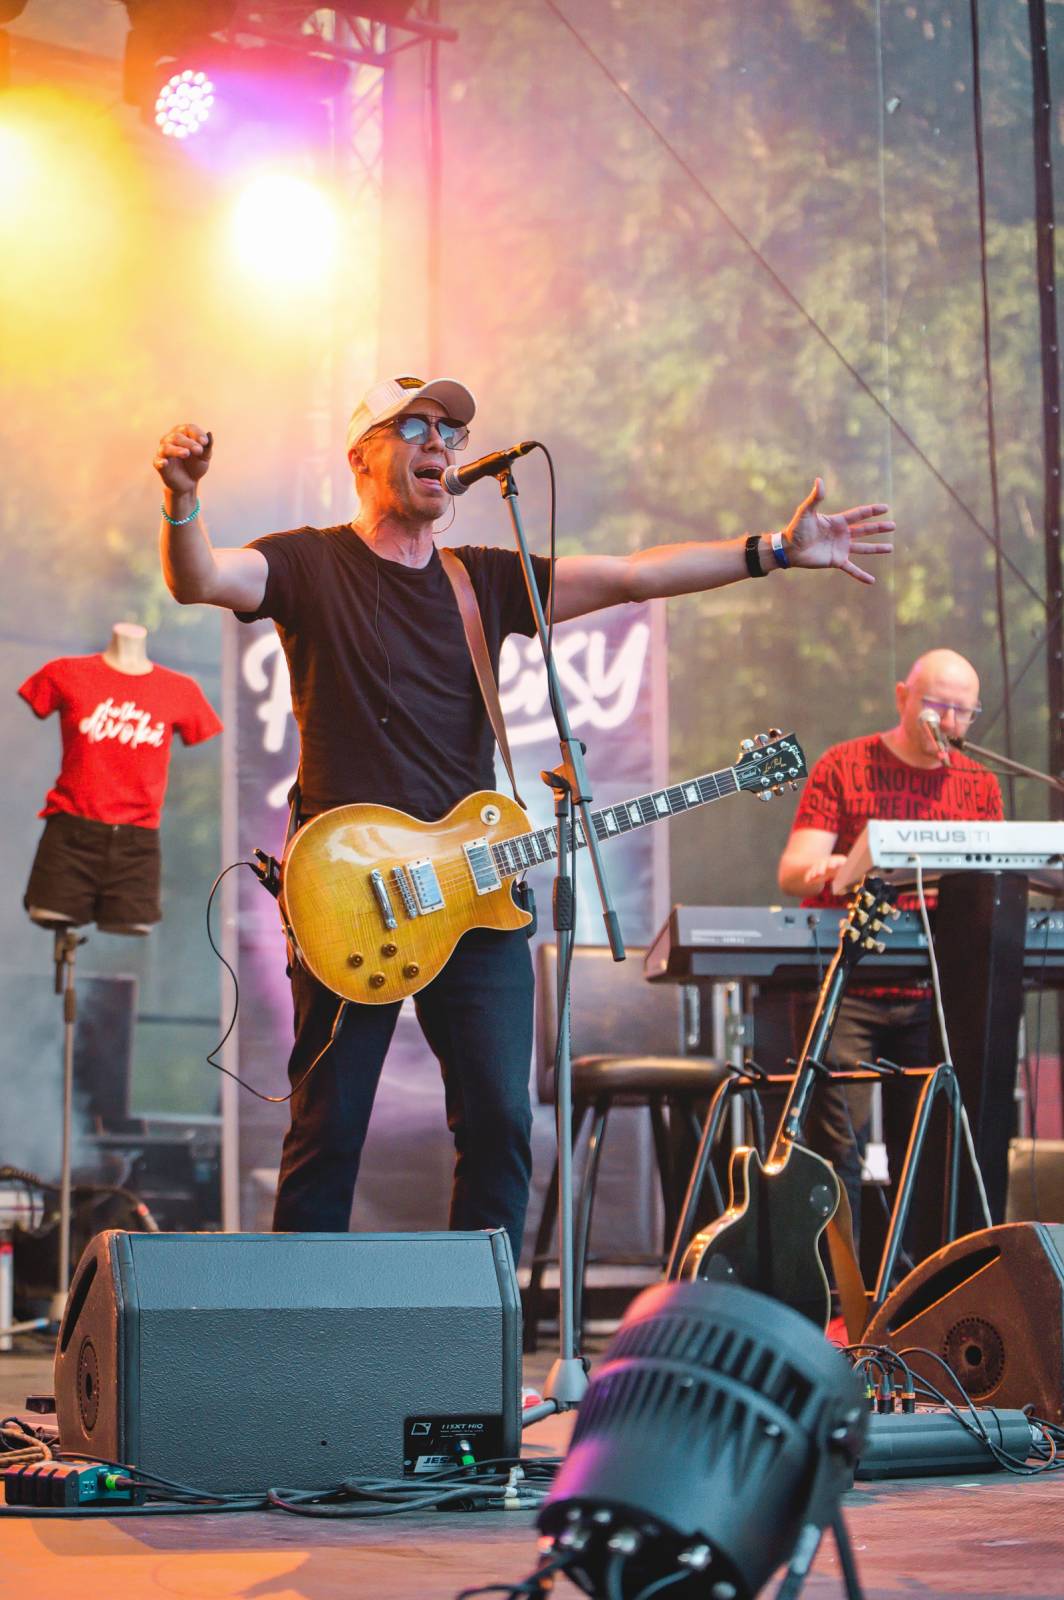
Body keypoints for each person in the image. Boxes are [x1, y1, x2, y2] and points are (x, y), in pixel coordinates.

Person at [154, 372, 894, 1261]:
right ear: (361, 454)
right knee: (328, 1131)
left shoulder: (483, 582)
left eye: (453, 433)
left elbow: (628, 576)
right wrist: (185, 500)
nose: (441, 445)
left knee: (504, 1124)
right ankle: (299, 1356)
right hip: (349, 891)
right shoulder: (308, 563)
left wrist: (770, 549)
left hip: (476, 896)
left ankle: (477, 1345)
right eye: (416, 427)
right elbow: (200, 577)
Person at [776, 648, 1004, 1246]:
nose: (947, 724)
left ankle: (919, 1299)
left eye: (963, 712)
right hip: (850, 981)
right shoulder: (846, 765)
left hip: (936, 989)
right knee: (837, 1150)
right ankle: (837, 1302)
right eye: (936, 707)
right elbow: (795, 869)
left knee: (927, 1156)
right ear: (903, 696)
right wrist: (844, 867)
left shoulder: (979, 785)